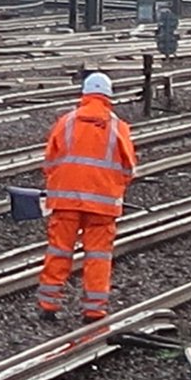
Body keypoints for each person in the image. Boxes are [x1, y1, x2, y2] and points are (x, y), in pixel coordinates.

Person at [36, 72, 137, 323]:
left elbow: (49, 162)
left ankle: (49, 305)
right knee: (98, 257)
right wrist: (112, 186)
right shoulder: (118, 127)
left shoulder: (66, 122)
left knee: (59, 251)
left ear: (84, 94)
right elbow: (128, 169)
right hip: (102, 206)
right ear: (109, 96)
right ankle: (94, 310)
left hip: (66, 202)